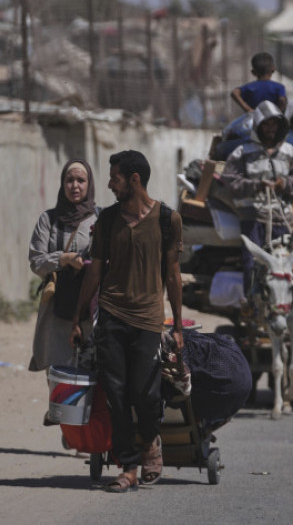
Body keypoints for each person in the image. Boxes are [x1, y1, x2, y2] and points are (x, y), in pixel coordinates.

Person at [70, 150, 184, 493]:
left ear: (135, 179)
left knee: (145, 392)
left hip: (149, 319)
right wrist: (78, 317)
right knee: (117, 394)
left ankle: (151, 442)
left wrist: (177, 326)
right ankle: (129, 466)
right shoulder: (106, 221)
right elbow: (95, 273)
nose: (108, 184)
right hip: (112, 316)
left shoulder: (168, 219)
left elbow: (174, 274)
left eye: (115, 177)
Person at [221, 100, 293, 293]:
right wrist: (256, 186)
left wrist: (283, 184)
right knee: (252, 263)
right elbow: (229, 180)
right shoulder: (242, 152)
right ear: (258, 126)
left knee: (282, 265)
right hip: (253, 218)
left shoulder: (289, 152)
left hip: (281, 218)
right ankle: (253, 308)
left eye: (274, 124)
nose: (270, 129)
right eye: (266, 124)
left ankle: (279, 310)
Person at [28, 159, 98, 385]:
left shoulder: (101, 218)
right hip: (58, 308)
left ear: (89, 184)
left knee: (95, 374)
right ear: (62, 184)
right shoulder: (48, 220)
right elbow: (36, 261)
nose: (75, 186)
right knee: (60, 373)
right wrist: (63, 258)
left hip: (93, 309)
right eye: (69, 180)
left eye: (81, 180)